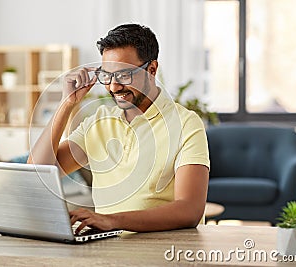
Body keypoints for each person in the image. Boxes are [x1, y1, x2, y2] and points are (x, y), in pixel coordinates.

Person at [28, 24, 210, 234]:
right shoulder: (99, 122)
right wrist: (66, 104)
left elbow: (189, 210)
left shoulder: (186, 124)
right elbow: (36, 173)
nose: (114, 87)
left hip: (163, 251)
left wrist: (112, 221)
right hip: (107, 250)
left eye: (124, 75)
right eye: (107, 76)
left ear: (151, 70)